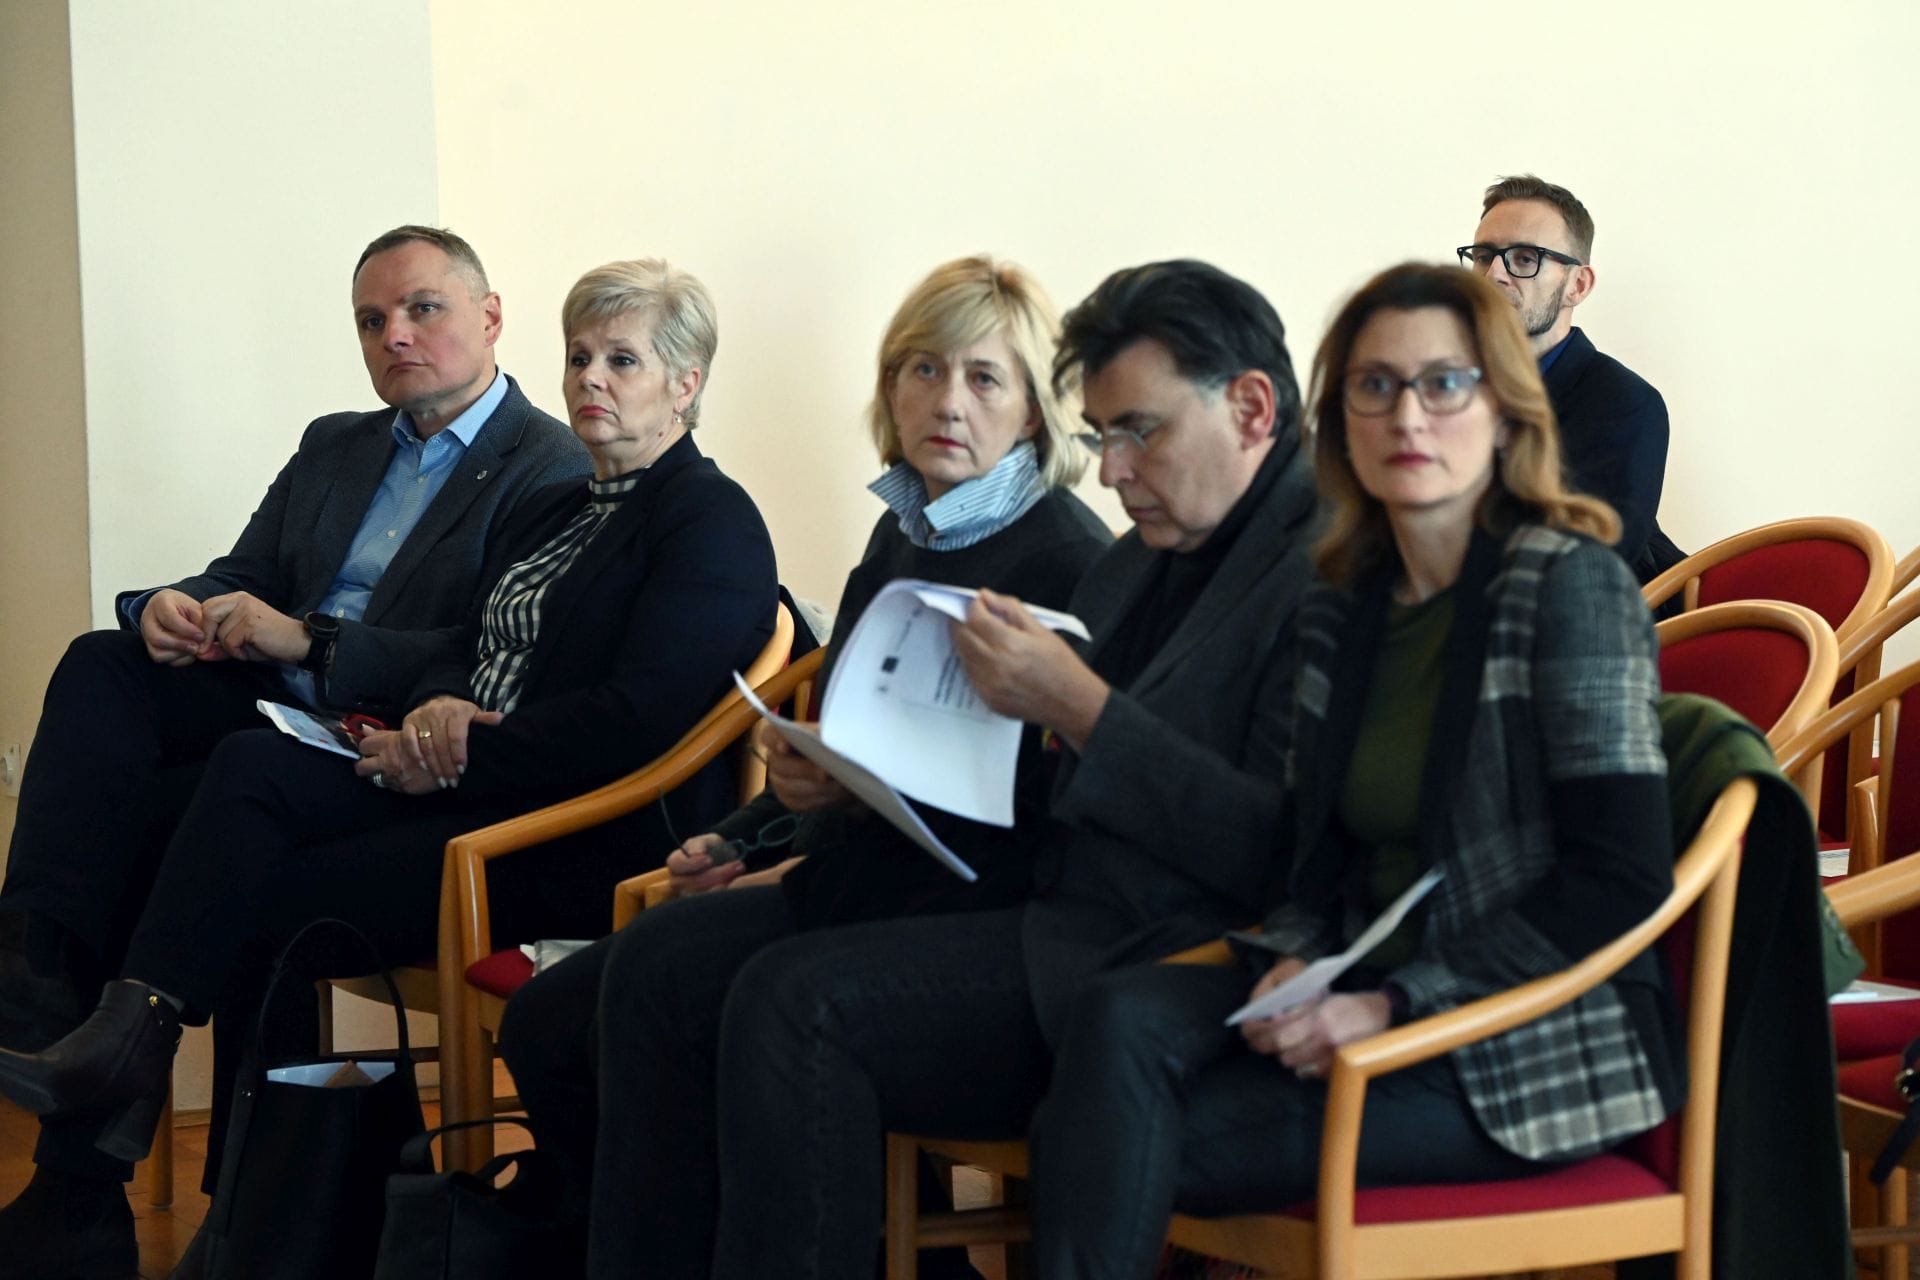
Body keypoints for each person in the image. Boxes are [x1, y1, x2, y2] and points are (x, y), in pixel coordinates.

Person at [0, 258, 777, 1280]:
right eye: (580, 355)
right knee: (208, 767)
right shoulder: (573, 509)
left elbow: (638, 718)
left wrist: (456, 744)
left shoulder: (706, 516)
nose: (591, 377)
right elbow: (468, 648)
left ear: (686, 382)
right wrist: (430, 714)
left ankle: (234, 1202)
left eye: (622, 361)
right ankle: (135, 1089)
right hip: (454, 774)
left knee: (243, 876)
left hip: (558, 834)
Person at [1026, 262, 1677, 1279]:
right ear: (1339, 420)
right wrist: (1298, 953)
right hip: (1359, 979)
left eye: (1444, 383)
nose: (1407, 415)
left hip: (1517, 1042)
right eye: (1375, 386)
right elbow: (1316, 856)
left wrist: (1393, 1003)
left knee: (1113, 1131)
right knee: (1115, 1020)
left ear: (1505, 408)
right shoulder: (1345, 602)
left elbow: (1620, 880)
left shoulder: (1571, 586)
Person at [699, 259, 1320, 1279]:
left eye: (1140, 431)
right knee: (714, 977)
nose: (1113, 472)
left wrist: (1075, 707)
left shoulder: (1323, 568)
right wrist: (852, 780)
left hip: (1166, 964)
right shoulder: (1140, 557)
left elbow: (1273, 850)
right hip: (1054, 915)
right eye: (1104, 435)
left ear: (1252, 408)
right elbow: (1042, 780)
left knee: (794, 1000)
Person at [496, 254, 1112, 1276]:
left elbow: (1058, 807)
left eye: (982, 378)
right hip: (866, 879)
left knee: (707, 987)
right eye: (922, 370)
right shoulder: (901, 533)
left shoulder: (1070, 559)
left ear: (1037, 410)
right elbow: (856, 750)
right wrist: (754, 830)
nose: (946, 401)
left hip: (977, 911)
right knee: (572, 1005)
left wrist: (819, 827)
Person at [1458, 174, 1682, 584]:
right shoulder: (1443, 390)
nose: (1493, 276)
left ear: (1577, 286)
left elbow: (1585, 567)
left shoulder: (1625, 404)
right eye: (1484, 256)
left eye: (1525, 259)